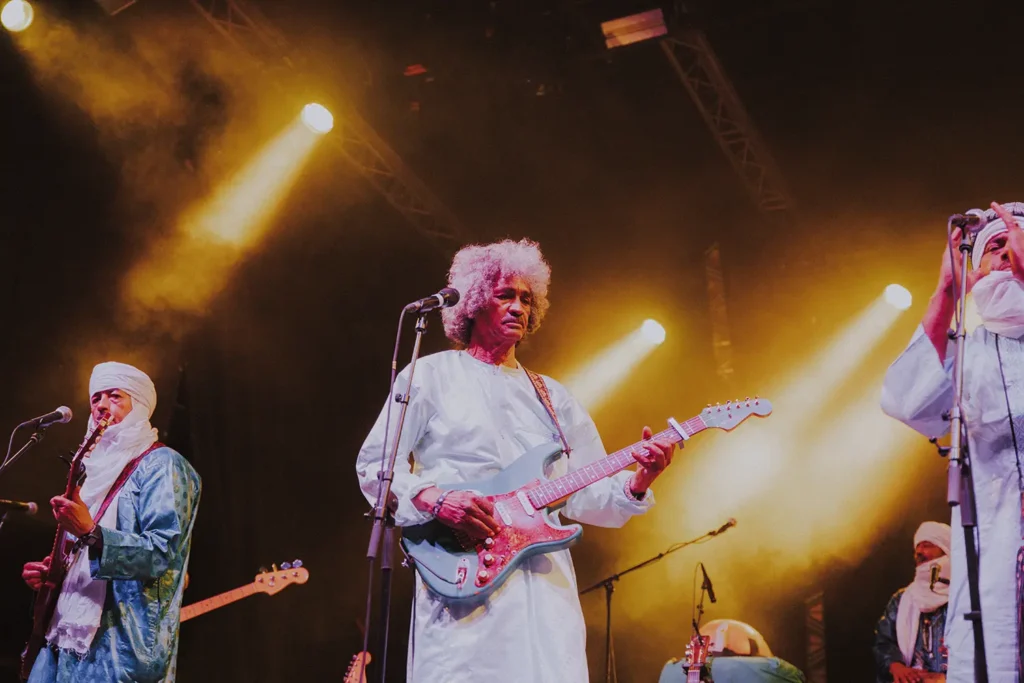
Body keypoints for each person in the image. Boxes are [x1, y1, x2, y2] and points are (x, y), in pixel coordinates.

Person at [355, 238, 677, 683]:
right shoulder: (430, 375)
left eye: (527, 298)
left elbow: (587, 495)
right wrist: (434, 498)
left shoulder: (554, 397)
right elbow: (376, 466)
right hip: (462, 575)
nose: (518, 307)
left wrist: (640, 479)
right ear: (472, 302)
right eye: (505, 294)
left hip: (542, 588)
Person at [881, 201, 1024, 683]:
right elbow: (907, 402)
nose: (1006, 254)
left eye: (1017, 242)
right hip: (994, 560)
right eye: (995, 247)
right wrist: (945, 290)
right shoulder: (970, 348)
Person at [21, 361, 202, 683]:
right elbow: (87, 548)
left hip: (117, 645)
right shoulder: (91, 469)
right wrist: (57, 573)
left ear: (139, 405)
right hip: (61, 638)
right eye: (96, 398)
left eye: (115, 396)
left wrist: (90, 533)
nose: (102, 405)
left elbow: (162, 554)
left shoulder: (163, 465)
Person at [873, 522, 951, 683]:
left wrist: (947, 678)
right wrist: (896, 666)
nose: (919, 552)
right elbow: (883, 641)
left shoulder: (963, 599)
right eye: (917, 547)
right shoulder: (902, 599)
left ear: (946, 551)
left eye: (927, 546)